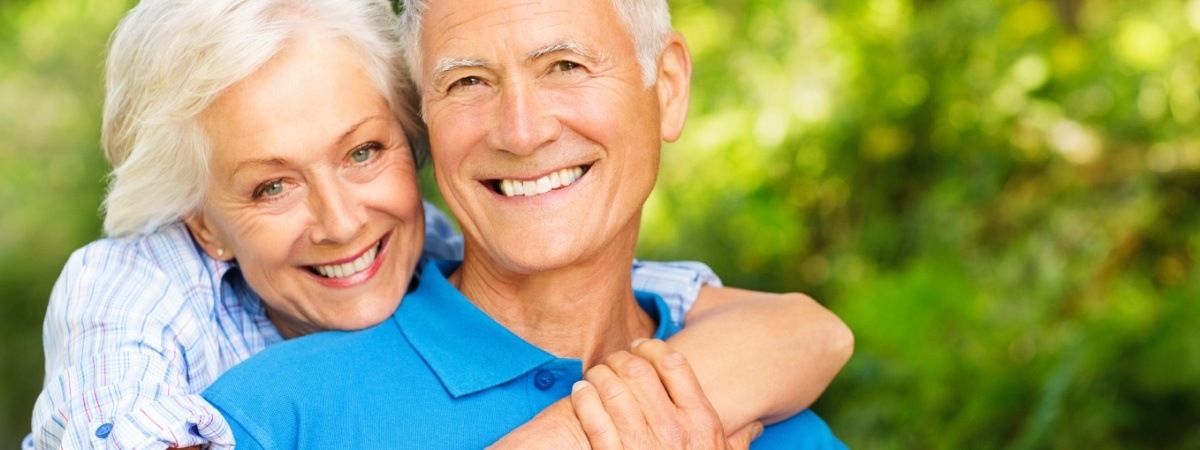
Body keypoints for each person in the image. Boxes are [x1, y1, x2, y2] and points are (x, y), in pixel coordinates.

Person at [29, 0, 853, 449]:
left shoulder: (754, 394)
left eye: (565, 65)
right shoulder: (247, 410)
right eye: (467, 81)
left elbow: (805, 329)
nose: (522, 131)